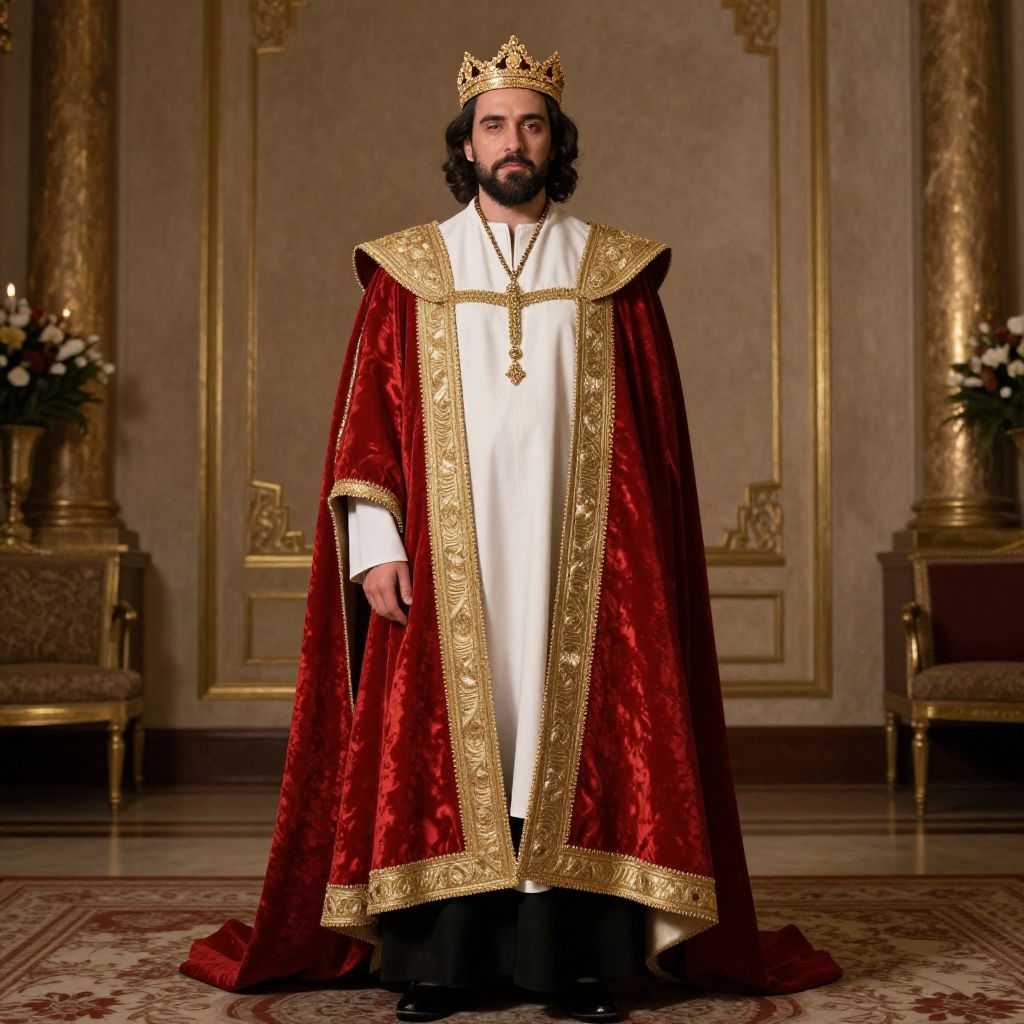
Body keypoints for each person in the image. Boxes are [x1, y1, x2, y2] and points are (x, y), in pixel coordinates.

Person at [180, 34, 842, 1023]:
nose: (512, 140)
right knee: (443, 755)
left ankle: (572, 965)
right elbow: (368, 431)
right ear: (467, 142)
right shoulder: (409, 271)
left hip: (584, 577)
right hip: (444, 571)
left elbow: (652, 456)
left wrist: (643, 572)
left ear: (554, 139)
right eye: (494, 124)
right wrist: (378, 548)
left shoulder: (611, 272)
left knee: (571, 749)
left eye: (530, 123)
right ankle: (442, 965)